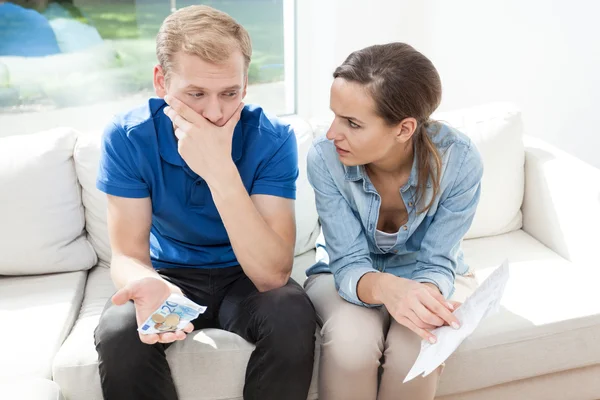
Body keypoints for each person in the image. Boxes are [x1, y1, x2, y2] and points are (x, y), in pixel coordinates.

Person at [93, 5, 316, 400]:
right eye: (195, 94)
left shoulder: (273, 138)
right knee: (117, 332)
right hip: (170, 276)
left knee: (291, 311)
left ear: (245, 86)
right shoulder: (128, 136)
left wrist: (218, 170)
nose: (214, 113)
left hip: (244, 278)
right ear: (161, 81)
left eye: (230, 93)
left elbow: (270, 275)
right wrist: (148, 284)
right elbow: (127, 254)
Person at [305, 42, 483, 400]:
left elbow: (438, 261)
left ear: (404, 129)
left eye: (352, 123)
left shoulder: (459, 162)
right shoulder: (325, 160)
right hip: (344, 273)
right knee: (351, 347)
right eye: (335, 115)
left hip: (427, 275)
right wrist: (388, 289)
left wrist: (422, 296)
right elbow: (348, 261)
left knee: (416, 347)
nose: (331, 133)